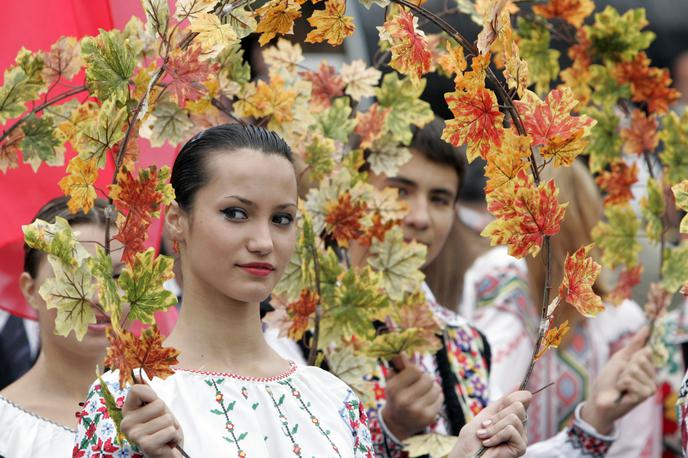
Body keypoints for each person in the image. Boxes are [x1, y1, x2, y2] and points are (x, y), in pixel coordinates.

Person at [351, 119, 659, 457]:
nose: (420, 217)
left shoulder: (462, 341)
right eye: (400, 191)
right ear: (352, 188)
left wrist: (595, 419)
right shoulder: (305, 327)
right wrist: (390, 430)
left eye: (439, 199)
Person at [73, 124, 374, 457]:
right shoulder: (127, 401)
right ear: (176, 219)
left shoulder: (333, 399)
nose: (263, 242)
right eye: (236, 213)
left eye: (282, 219)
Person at [460, 160, 662, 457]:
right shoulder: (497, 281)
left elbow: (472, 389)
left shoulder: (494, 276)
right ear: (593, 219)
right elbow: (634, 442)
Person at [0, 197, 122, 458]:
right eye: (73, 277)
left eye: (116, 277)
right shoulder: (7, 428)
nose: (100, 297)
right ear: (30, 290)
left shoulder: (170, 405)